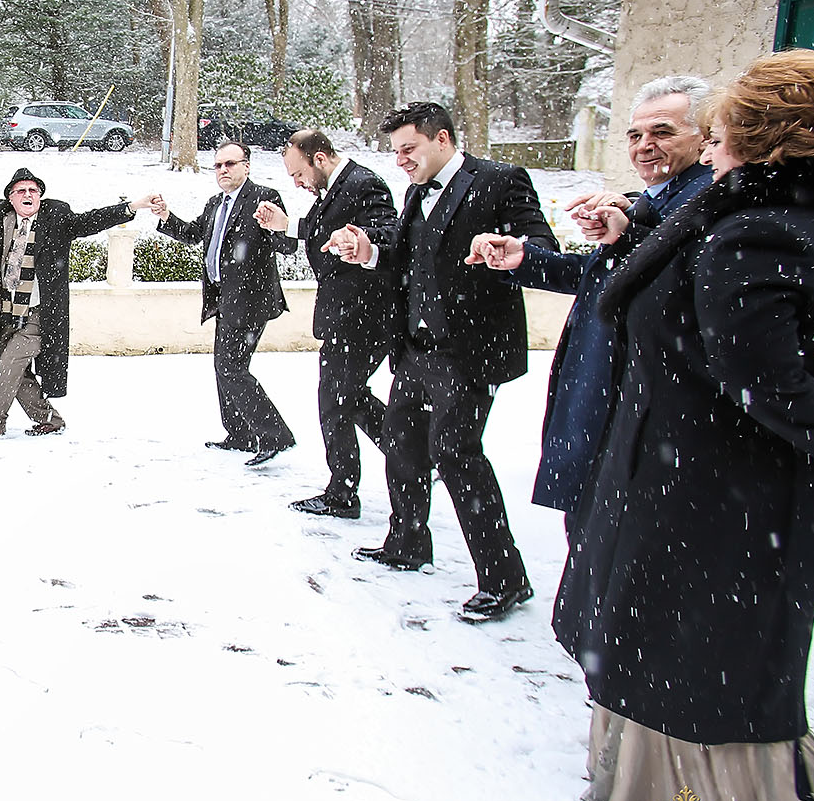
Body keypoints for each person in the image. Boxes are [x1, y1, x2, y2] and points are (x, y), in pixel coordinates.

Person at [558, 50, 814, 801]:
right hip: (710, 494)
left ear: (756, 133)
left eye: (726, 124)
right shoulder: (809, 216)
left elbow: (766, 384)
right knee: (681, 666)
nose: (711, 143)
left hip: (716, 504)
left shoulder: (760, 229)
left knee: (722, 685)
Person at [324, 102, 556, 621]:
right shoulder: (413, 193)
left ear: (443, 140)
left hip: (469, 352)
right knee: (403, 445)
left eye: (409, 148)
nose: (401, 160)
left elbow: (541, 244)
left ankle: (505, 578)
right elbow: (408, 262)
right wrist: (369, 255)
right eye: (396, 152)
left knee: (456, 455)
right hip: (416, 348)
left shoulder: (499, 180)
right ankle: (407, 542)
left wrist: (509, 247)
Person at [468, 75, 713, 524]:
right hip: (600, 394)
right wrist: (525, 259)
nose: (645, 145)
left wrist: (629, 236)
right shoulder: (652, 201)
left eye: (663, 132)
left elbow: (676, 286)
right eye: (635, 134)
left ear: (706, 138)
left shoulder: (704, 204)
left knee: (612, 553)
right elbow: (600, 277)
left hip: (637, 406)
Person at [0, 166, 154, 439]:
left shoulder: (57, 221)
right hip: (4, 311)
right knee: (17, 371)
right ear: (11, 198)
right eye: (21, 190)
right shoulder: (1, 220)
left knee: (10, 362)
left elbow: (92, 220)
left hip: (38, 314)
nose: (28, 195)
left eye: (33, 190)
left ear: (40, 197)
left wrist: (131, 207)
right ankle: (48, 419)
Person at [254, 130, 397, 517]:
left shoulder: (363, 183)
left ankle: (343, 493)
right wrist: (285, 224)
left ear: (319, 159)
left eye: (298, 174)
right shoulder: (330, 192)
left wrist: (365, 240)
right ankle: (409, 450)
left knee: (335, 403)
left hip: (365, 316)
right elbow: (319, 233)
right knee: (347, 399)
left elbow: (390, 233)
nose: (296, 183)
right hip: (344, 317)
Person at [151, 140, 294, 465]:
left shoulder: (264, 197)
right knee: (224, 366)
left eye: (230, 164)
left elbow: (286, 246)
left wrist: (273, 226)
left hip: (251, 300)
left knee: (230, 367)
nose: (223, 170)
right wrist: (166, 216)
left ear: (247, 165)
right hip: (223, 299)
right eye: (218, 165)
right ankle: (240, 434)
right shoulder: (216, 202)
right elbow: (193, 233)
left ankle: (273, 435)